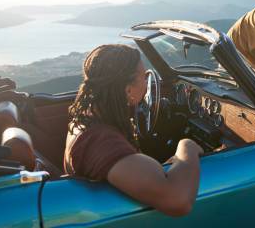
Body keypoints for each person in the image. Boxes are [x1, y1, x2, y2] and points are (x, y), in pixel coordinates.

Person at [65, 44, 203, 216]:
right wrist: (187, 146)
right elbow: (177, 200)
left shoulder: (86, 117)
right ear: (128, 90)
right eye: (144, 77)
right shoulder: (101, 142)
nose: (148, 81)